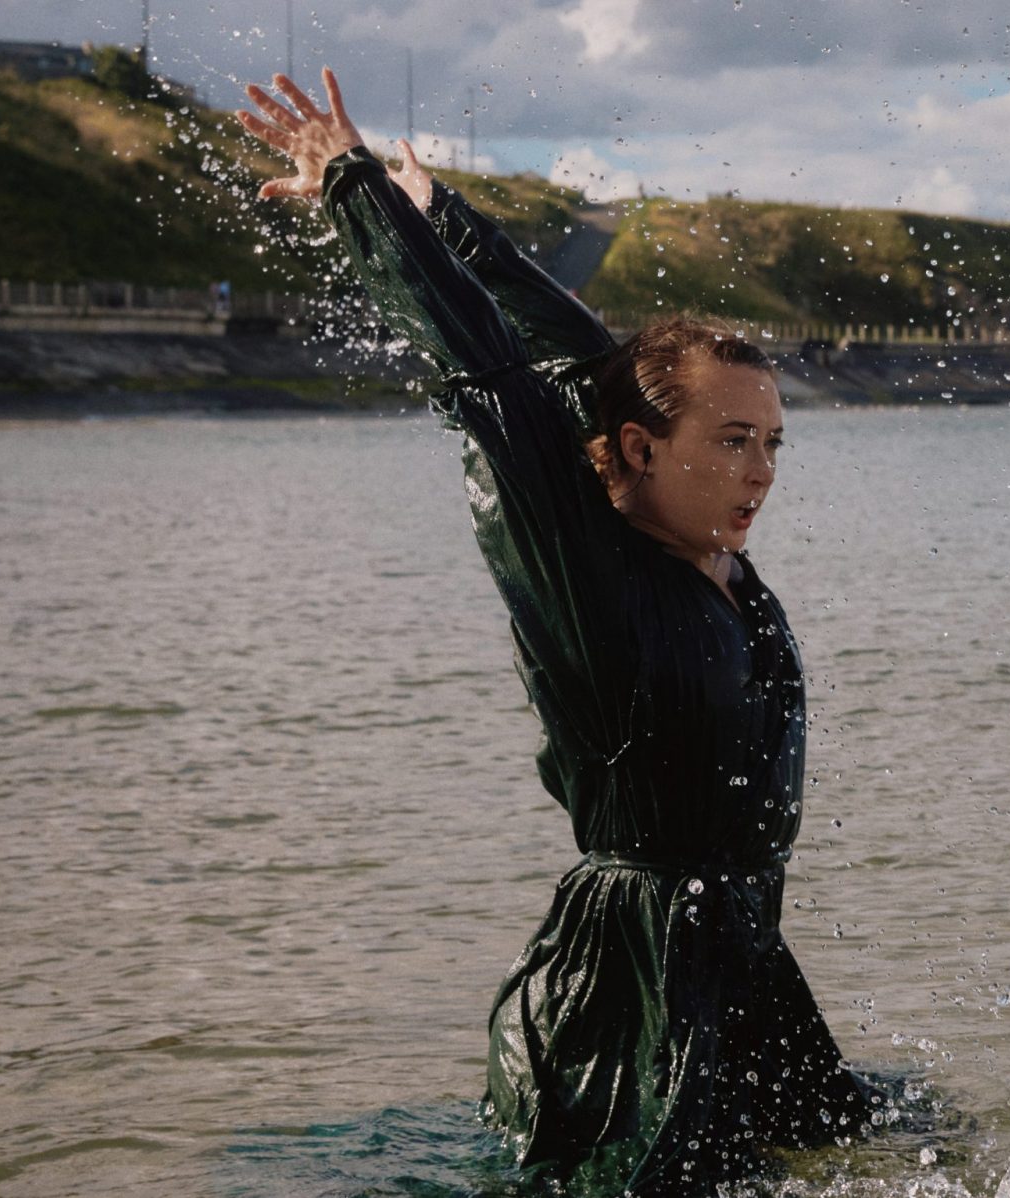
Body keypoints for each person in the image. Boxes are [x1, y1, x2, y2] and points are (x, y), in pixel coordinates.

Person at [234, 69, 882, 1193]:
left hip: (739, 954)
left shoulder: (710, 546)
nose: (761, 471)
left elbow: (590, 359)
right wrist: (354, 191)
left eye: (774, 442)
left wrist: (444, 216)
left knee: (869, 1153)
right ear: (637, 451)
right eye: (734, 441)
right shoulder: (586, 569)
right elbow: (488, 377)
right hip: (635, 981)